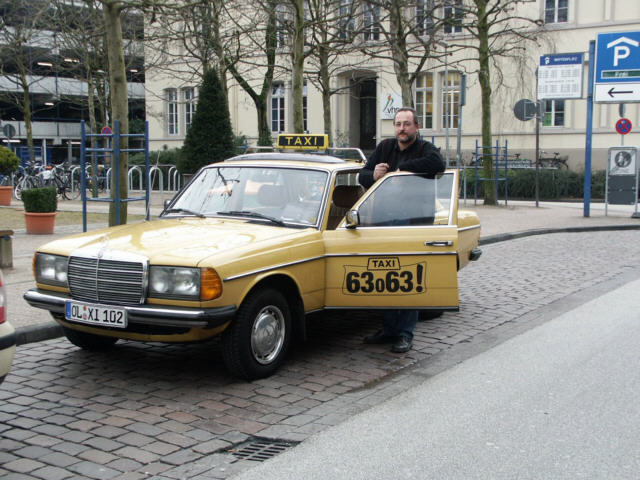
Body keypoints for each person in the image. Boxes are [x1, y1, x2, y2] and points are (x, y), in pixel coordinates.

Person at [358, 107, 445, 353]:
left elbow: (438, 164)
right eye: (398, 124)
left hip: (414, 224)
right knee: (385, 278)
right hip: (384, 222)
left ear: (417, 127)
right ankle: (388, 329)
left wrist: (401, 170)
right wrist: (373, 174)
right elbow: (361, 176)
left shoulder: (426, 149)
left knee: (408, 280)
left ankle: (405, 333)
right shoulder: (385, 147)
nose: (402, 129)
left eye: (407, 124)